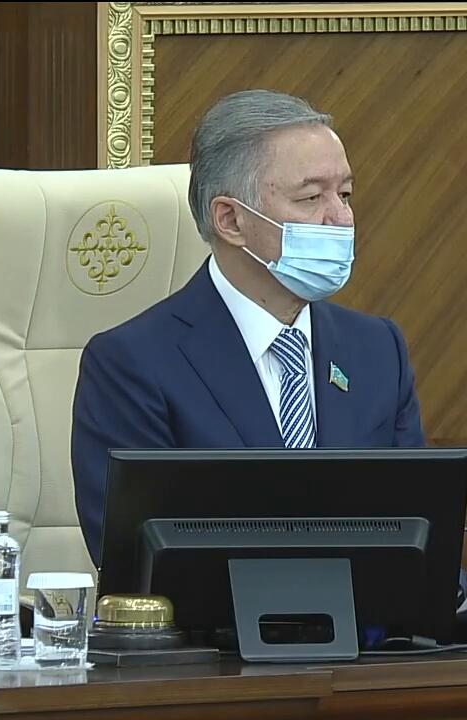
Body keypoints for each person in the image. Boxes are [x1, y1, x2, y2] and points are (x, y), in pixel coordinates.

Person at [71, 90, 426, 564]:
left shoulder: (378, 349)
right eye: (311, 197)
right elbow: (143, 560)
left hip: (371, 613)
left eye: (345, 194)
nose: (341, 219)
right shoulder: (132, 364)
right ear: (231, 220)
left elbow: (420, 533)